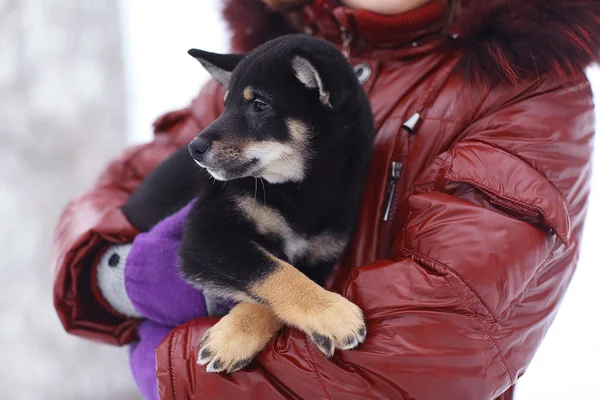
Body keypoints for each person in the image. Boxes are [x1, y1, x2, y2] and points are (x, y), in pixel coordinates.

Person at [51, 0, 600, 399]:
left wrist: (181, 369)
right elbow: (128, 184)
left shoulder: (526, 89)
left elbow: (438, 340)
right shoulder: (274, 51)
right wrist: (112, 271)